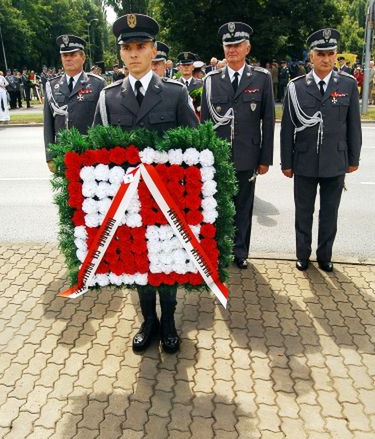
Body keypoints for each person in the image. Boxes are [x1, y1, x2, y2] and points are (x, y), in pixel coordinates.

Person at [94, 13, 198, 354]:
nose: (134, 53)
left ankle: (168, 321)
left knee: (165, 263)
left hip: (165, 200)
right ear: (121, 54)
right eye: (128, 47)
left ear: (154, 51)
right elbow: (99, 152)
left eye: (141, 46)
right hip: (129, 203)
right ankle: (147, 321)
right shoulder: (108, 98)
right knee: (139, 263)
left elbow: (195, 148)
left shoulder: (174, 94)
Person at [281, 28, 361, 272]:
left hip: (335, 161)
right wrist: (287, 162)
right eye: (321, 54)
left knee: (329, 213)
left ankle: (325, 255)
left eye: (331, 53)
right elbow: (286, 129)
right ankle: (302, 255)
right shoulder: (296, 87)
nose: (327, 59)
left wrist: (353, 158)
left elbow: (354, 126)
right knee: (303, 212)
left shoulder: (346, 84)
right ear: (311, 57)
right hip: (304, 160)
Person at [200, 21, 275, 269]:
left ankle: (240, 251)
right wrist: (203, 158)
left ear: (247, 48)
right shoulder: (211, 81)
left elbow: (268, 121)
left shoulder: (261, 79)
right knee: (218, 206)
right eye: (227, 45)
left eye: (237, 45)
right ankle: (221, 250)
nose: (232, 50)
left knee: (244, 206)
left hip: (247, 154)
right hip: (218, 157)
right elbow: (205, 124)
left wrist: (265, 159)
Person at [43, 34, 106, 172]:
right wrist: (50, 156)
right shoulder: (52, 85)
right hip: (62, 154)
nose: (68, 58)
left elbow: (104, 121)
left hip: (90, 153)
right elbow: (48, 124)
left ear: (83, 58)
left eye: (72, 54)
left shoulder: (97, 84)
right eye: (65, 55)